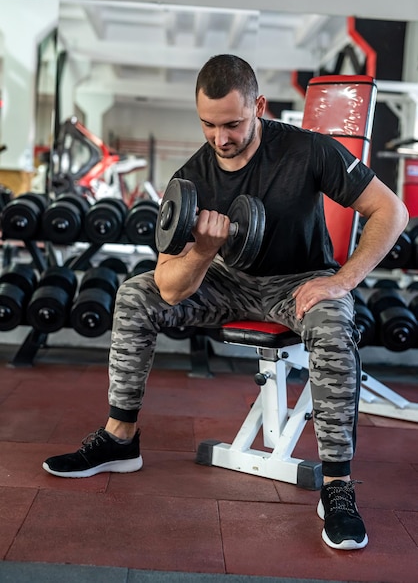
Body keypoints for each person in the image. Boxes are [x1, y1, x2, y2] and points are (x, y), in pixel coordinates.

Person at [43, 54, 409, 551]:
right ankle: (120, 438)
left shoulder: (308, 151)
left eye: (233, 124)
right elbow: (171, 289)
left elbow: (391, 209)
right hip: (228, 282)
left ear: (258, 105)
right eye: (208, 125)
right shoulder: (193, 178)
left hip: (298, 282)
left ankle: (337, 487)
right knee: (135, 294)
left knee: (331, 320)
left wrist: (342, 281)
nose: (221, 139)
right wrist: (206, 249)